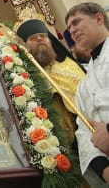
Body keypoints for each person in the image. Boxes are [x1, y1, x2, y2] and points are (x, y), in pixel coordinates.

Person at [17, 19, 86, 148]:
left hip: (90, 128)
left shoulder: (68, 64)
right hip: (60, 144)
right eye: (32, 38)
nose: (39, 39)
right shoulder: (26, 76)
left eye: (43, 36)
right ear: (25, 46)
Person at [65, 2, 109, 187]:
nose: (72, 30)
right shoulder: (83, 85)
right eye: (69, 28)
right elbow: (84, 132)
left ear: (98, 18)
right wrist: (104, 169)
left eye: (76, 22)